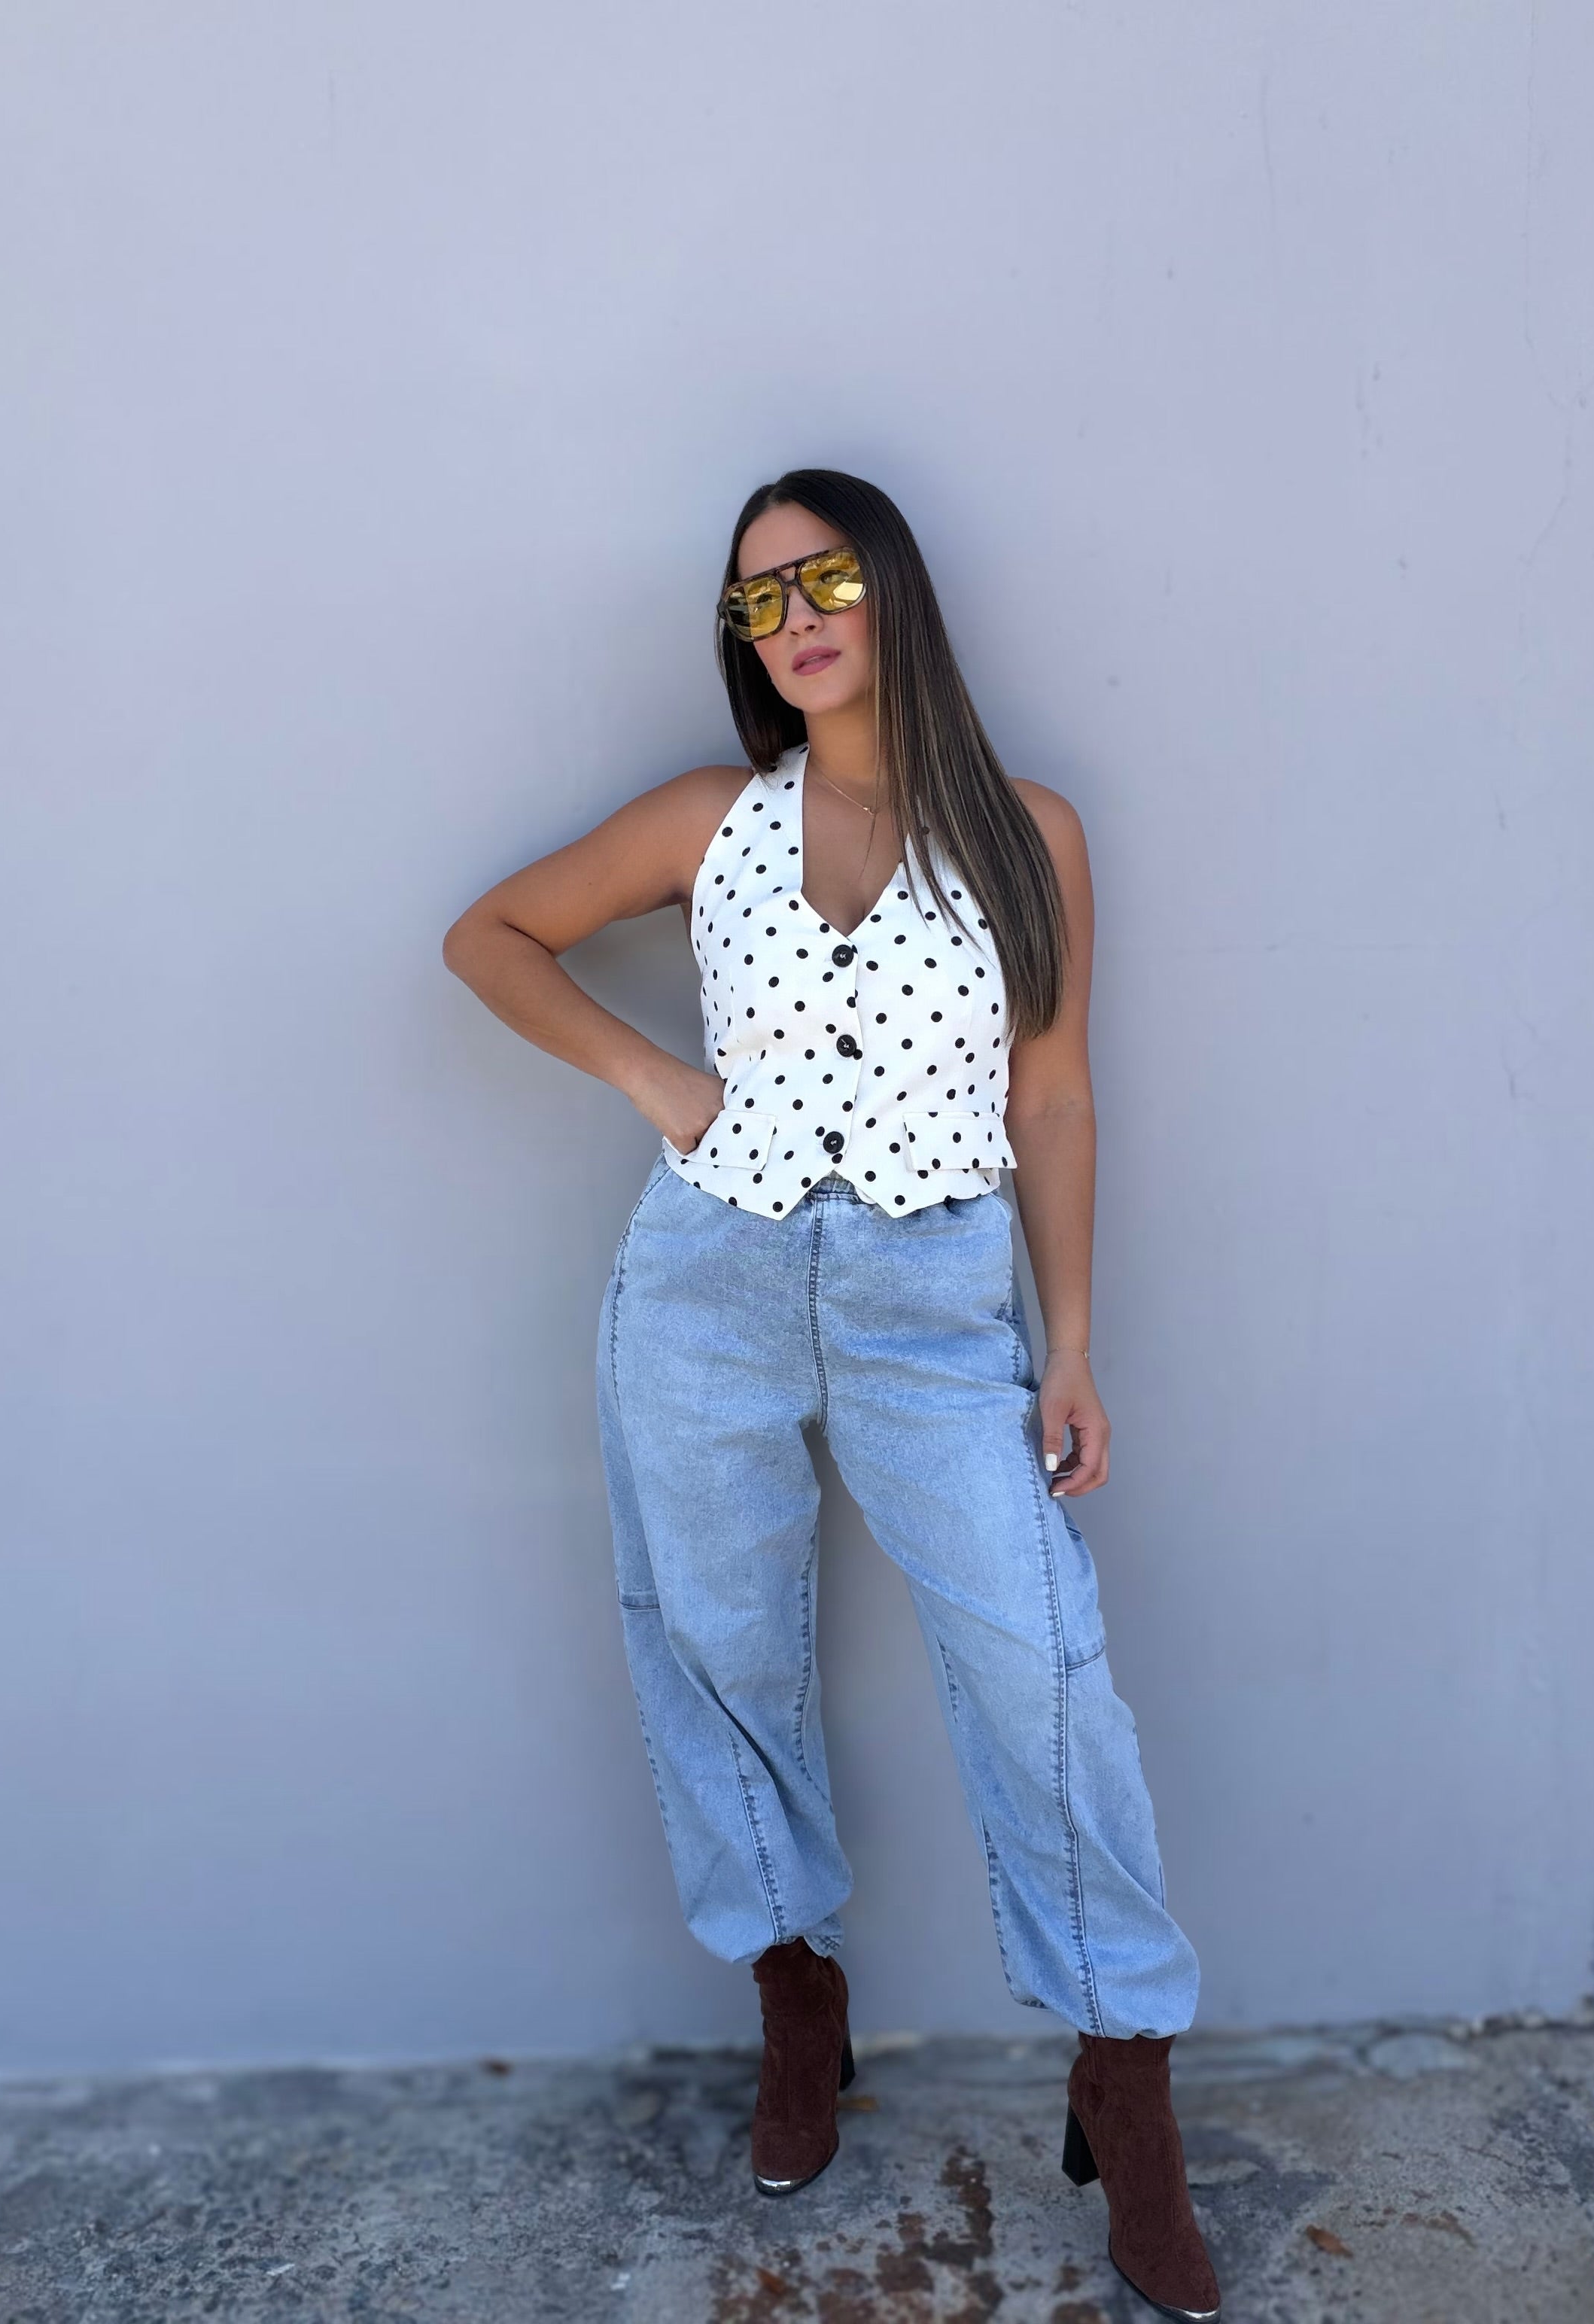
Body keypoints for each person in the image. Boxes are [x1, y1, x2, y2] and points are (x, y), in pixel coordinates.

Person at [443, 469, 1221, 2319]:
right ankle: (797, 1988)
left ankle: (1125, 2075)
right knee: (716, 1639)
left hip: (931, 1308)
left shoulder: (1030, 831)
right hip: (705, 1283)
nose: (793, 618)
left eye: (825, 578)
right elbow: (490, 938)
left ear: (895, 592)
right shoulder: (709, 818)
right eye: (758, 598)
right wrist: (658, 1080)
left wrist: (1073, 1340)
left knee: (1042, 1666)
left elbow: (1053, 1094)